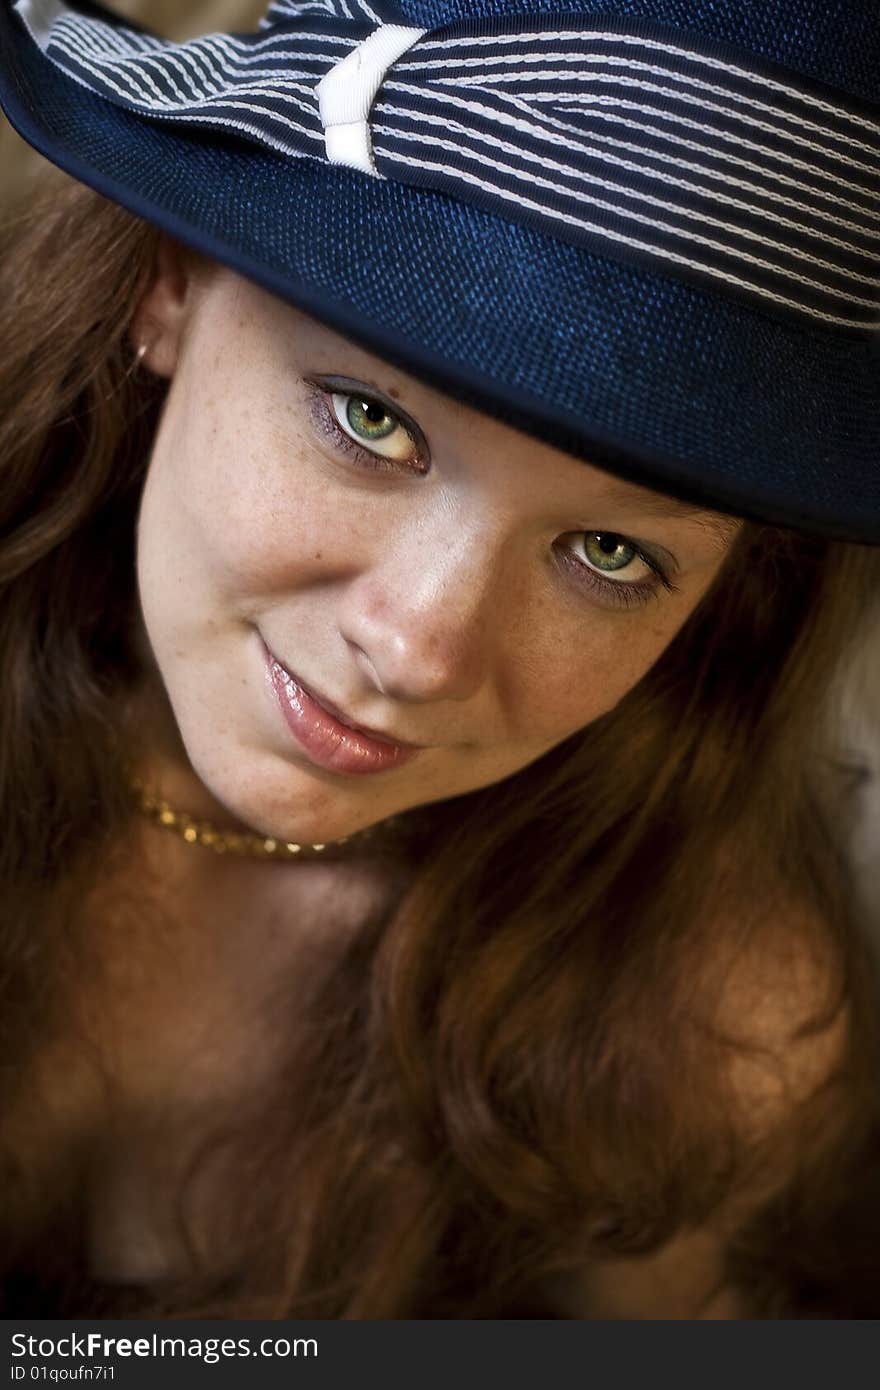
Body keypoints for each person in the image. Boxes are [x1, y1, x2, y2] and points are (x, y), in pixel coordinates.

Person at [0, 0, 879, 1320]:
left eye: (607, 552)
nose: (418, 645)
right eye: (371, 421)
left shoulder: (703, 1028)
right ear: (167, 283)